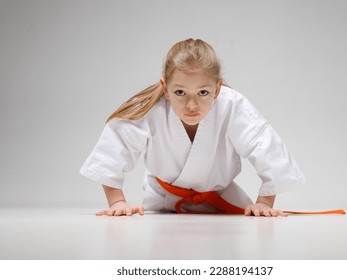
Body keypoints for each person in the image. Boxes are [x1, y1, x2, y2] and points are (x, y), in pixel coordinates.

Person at [80, 38, 305, 217]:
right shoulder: (152, 108)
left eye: (203, 93)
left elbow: (265, 146)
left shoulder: (232, 105)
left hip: (221, 198)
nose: (191, 105)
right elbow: (115, 145)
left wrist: (264, 203)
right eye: (180, 92)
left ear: (217, 90)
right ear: (165, 88)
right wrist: (117, 201)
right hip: (161, 198)